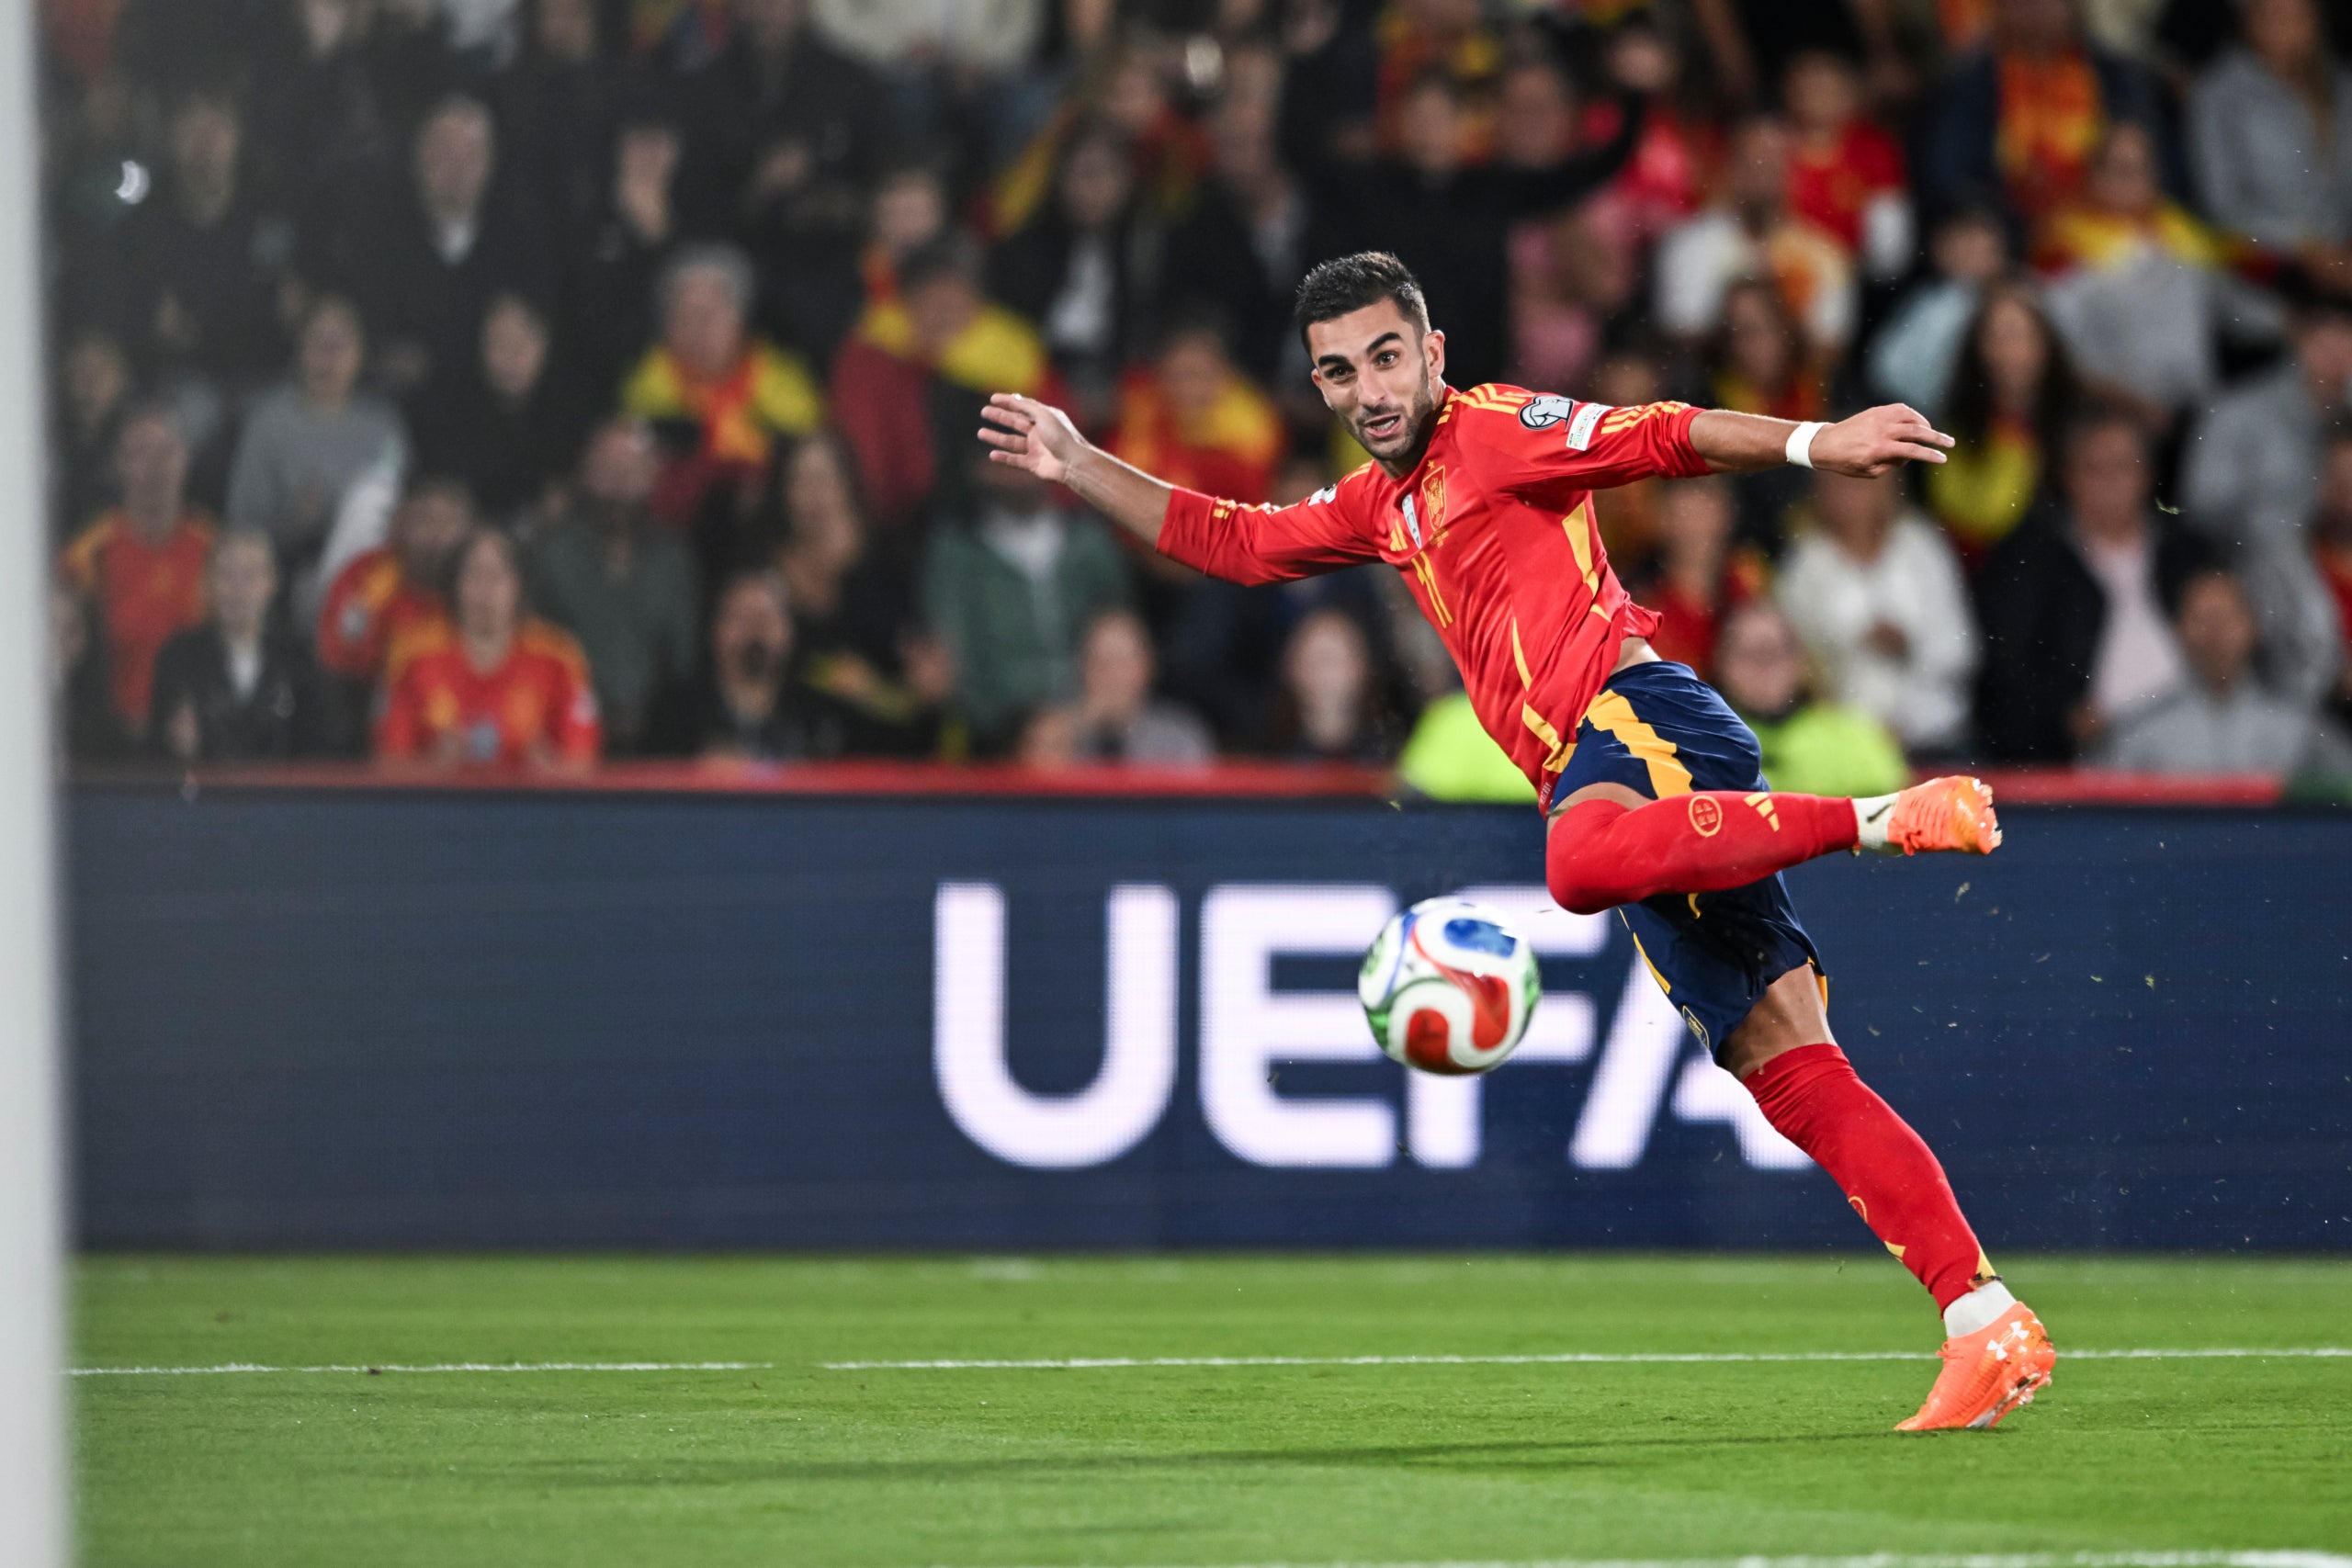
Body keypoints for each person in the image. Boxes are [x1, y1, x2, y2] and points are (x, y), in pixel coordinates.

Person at [979, 249, 2052, 1431]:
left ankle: (1879, 819)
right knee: (1786, 1064)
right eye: (1339, 371)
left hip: (1638, 719)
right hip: (1600, 770)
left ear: (1433, 354)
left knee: (1578, 865)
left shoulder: (1497, 428)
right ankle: (1981, 1319)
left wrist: (1813, 443)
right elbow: (1233, 541)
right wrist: (1079, 462)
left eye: (1388, 355)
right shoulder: (1379, 507)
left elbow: (1656, 435)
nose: (1368, 387)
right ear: (1319, 387)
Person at [1973, 406, 2211, 761]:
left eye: (2122, 467)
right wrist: (2061, 719)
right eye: (2094, 470)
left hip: (2195, 740)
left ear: (2146, 474)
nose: (2110, 483)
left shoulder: (2185, 553)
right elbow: (2006, 674)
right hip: (2088, 755)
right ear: (2068, 477)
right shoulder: (2032, 561)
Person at [921, 449, 1130, 751]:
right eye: (1002, 458)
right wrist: (1019, 732)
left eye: (1026, 453)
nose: (1016, 471)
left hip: (1094, 731)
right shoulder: (955, 554)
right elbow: (950, 658)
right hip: (994, 743)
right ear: (978, 466)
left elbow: (1122, 633)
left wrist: (1079, 718)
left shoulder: (1090, 544)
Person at [525, 418, 699, 754]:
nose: (620, 486)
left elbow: (684, 661)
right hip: (570, 739)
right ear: (585, 473)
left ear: (652, 476)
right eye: (607, 469)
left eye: (631, 471)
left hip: (661, 745)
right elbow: (534, 656)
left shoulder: (675, 559)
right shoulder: (549, 554)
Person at [1778, 468, 1980, 754]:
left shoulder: (1921, 546)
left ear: (1887, 486)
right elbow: (1796, 665)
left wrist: (1908, 646)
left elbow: (1961, 649)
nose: (1849, 495)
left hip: (1935, 740)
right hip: (1846, 750)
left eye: (1859, 483)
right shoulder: (1805, 563)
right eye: (1837, 483)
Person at [620, 243, 824, 526]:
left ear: (740, 320)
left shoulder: (788, 389)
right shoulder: (643, 393)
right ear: (666, 328)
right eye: (684, 314)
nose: (699, 328)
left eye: (713, 312)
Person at [224, 295, 407, 598]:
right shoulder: (269, 423)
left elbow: (399, 513)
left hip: (372, 576)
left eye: (341, 344)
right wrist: (294, 520)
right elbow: (239, 529)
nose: (329, 356)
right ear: (299, 351)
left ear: (361, 354)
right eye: (318, 342)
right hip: (289, 573)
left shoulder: (383, 425)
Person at [375, 528, 601, 772]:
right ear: (455, 584)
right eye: (474, 574)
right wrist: (432, 768)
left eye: (497, 575)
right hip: (438, 806)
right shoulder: (413, 653)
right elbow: (388, 762)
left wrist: (549, 772)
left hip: (530, 807)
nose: (486, 589)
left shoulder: (557, 655)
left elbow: (584, 761)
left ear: (519, 585)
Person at [2098, 569, 2352, 775]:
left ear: (2255, 627)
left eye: (2226, 617)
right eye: (2203, 618)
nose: (2215, 632)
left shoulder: (2300, 726)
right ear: (2177, 630)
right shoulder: (2141, 730)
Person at [58, 405, 216, 736]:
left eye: (165, 452)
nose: (154, 468)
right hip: (106, 737)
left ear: (185, 460)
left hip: (198, 734)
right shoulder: (87, 554)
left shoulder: (213, 549)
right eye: (139, 454)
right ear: (120, 465)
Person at [148, 529, 338, 762]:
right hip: (206, 794)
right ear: (207, 582)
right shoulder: (179, 656)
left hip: (280, 796)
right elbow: (155, 748)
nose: (237, 588)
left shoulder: (298, 660)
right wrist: (177, 747)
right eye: (226, 574)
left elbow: (320, 748)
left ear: (271, 583)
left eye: (249, 575)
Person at [2182, 299, 2352, 554]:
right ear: (2298, 341)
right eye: (2324, 341)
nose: (2337, 355)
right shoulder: (2235, 412)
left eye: (2346, 341)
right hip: (2256, 567)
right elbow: (2205, 511)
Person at [1709, 600, 1911, 797]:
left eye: (1774, 650)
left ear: (1799, 661)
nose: (1764, 667)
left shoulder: (1855, 735)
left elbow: (1894, 805)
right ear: (1722, 664)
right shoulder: (1702, 746)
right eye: (1749, 653)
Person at [647, 569, 844, 762]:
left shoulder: (817, 716)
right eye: (740, 616)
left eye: (767, 616)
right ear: (714, 631)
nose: (755, 629)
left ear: (790, 633)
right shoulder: (675, 713)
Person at [316, 473, 472, 688]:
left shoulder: (485, 584)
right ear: (400, 524)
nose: (437, 533)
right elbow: (337, 657)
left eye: (449, 521)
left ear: (470, 531)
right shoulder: (365, 575)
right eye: (425, 519)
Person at [1069, 607, 1214, 766]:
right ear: (1082, 669)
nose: (1110, 673)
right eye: (1098, 660)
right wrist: (1075, 727)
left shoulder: (1180, 735)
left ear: (1146, 667)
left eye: (1121, 661)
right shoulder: (1063, 734)